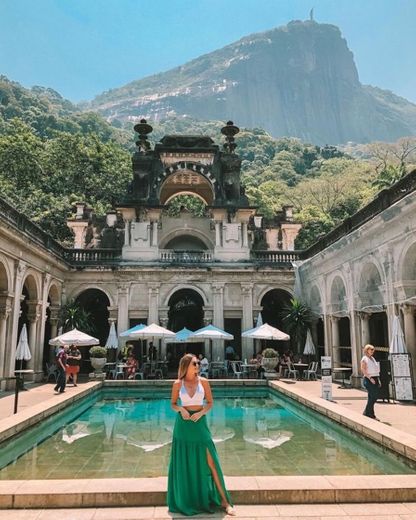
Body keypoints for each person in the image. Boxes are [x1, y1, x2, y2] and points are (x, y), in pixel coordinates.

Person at [167, 353, 235, 516]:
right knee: (184, 462)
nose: (197, 366)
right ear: (186, 366)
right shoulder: (178, 384)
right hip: (183, 425)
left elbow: (210, 403)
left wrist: (201, 413)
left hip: (200, 423)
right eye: (194, 364)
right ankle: (188, 500)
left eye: (198, 363)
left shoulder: (204, 382)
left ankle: (225, 502)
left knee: (211, 461)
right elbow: (173, 404)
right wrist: (182, 409)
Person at [361, 344, 381, 420]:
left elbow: (376, 369)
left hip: (375, 378)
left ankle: (368, 413)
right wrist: (370, 378)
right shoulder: (364, 359)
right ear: (367, 350)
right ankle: (369, 413)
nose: (372, 351)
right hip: (369, 379)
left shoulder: (372, 358)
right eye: (371, 349)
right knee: (373, 396)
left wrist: (378, 379)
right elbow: (363, 370)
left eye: (373, 349)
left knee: (372, 397)